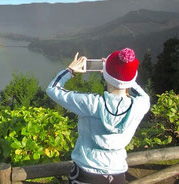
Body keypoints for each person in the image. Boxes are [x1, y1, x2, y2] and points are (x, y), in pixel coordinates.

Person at [46, 48, 150, 184]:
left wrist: (70, 71)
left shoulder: (91, 103)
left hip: (85, 174)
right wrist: (120, 75)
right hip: (117, 175)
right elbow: (141, 94)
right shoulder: (140, 105)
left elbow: (53, 89)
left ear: (106, 75)